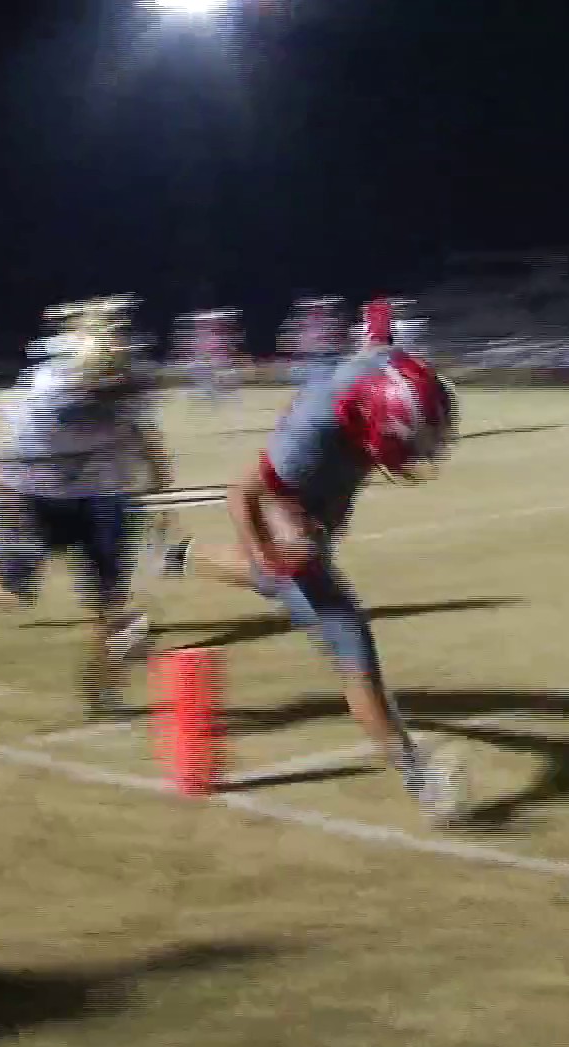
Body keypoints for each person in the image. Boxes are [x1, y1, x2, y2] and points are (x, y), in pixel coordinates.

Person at [158, 298, 469, 826]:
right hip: (290, 500)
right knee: (347, 630)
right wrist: (271, 551)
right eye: (412, 442)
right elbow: (241, 494)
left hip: (326, 484)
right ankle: (418, 774)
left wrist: (380, 313)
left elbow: (377, 332)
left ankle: (171, 556)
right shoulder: (310, 439)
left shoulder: (383, 370)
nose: (420, 452)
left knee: (269, 575)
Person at [0, 295, 170, 720]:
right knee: (9, 597)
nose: (118, 381)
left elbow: (141, 428)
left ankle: (103, 693)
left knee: (110, 603)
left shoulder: (123, 378)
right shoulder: (49, 394)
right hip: (34, 497)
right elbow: (8, 456)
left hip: (97, 496)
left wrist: (159, 480)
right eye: (106, 376)